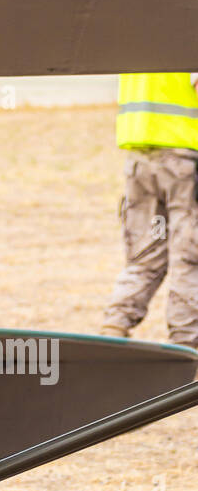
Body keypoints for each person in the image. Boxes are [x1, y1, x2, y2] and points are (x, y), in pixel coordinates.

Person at [101, 72, 198, 349]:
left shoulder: (138, 31)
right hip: (184, 159)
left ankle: (114, 327)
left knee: (145, 253)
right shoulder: (186, 30)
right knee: (190, 258)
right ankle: (188, 348)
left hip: (140, 155)